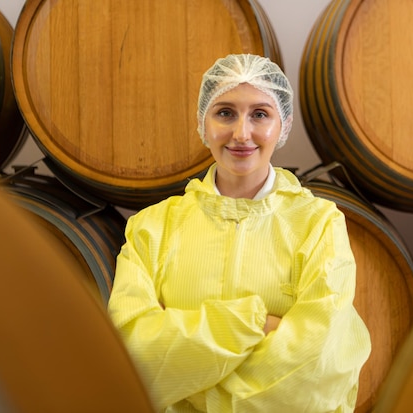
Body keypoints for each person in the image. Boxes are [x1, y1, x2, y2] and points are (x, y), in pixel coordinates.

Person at [107, 53, 371, 413]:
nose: (241, 133)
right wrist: (256, 324)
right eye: (225, 113)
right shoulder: (151, 228)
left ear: (283, 125)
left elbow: (318, 369)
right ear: (203, 121)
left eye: (260, 114)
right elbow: (131, 354)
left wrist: (190, 385)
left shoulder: (319, 224)